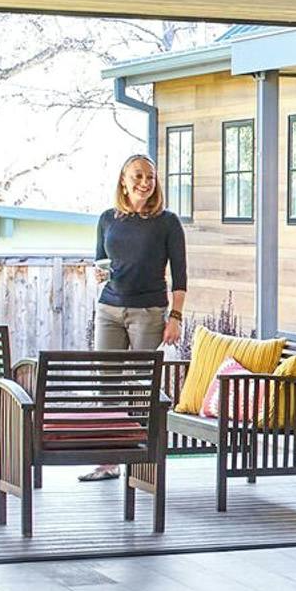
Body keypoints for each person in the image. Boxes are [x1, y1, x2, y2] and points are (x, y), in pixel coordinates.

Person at [82, 154, 187, 481]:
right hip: (109, 309)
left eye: (150, 177)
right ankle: (110, 460)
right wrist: (98, 276)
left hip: (149, 312)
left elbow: (180, 276)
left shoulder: (167, 222)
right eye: (138, 176)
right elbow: (100, 261)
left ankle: (142, 460)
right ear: (123, 182)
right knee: (107, 384)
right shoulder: (107, 219)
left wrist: (176, 317)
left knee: (142, 385)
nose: (145, 182)